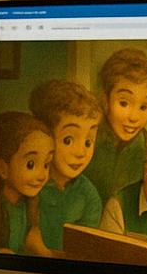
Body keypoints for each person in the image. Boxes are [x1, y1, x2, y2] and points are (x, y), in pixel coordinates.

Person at [26, 80, 102, 255]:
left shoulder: (89, 195)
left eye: (88, 142)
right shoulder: (29, 184)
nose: (81, 152)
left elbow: (84, 256)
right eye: (68, 140)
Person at [83, 48, 147, 204]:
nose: (134, 117)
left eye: (144, 107)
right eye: (124, 103)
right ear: (106, 101)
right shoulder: (86, 141)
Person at [0, 111, 54, 254]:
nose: (42, 175)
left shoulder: (28, 204)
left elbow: (32, 237)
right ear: (2, 168)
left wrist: (44, 253)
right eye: (31, 164)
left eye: (46, 164)